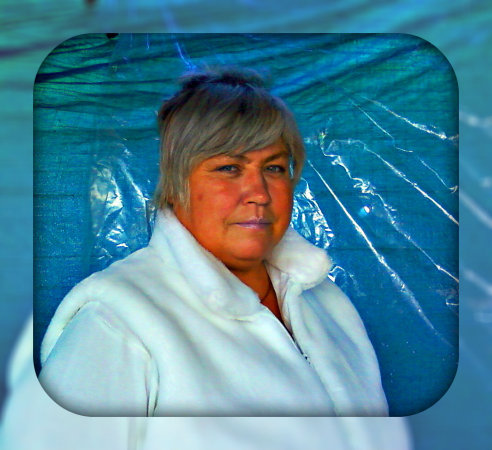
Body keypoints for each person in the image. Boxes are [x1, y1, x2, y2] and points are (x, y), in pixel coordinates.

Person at [38, 68, 388, 417]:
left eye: (274, 168)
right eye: (229, 168)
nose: (259, 194)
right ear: (175, 185)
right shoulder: (118, 322)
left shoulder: (328, 303)